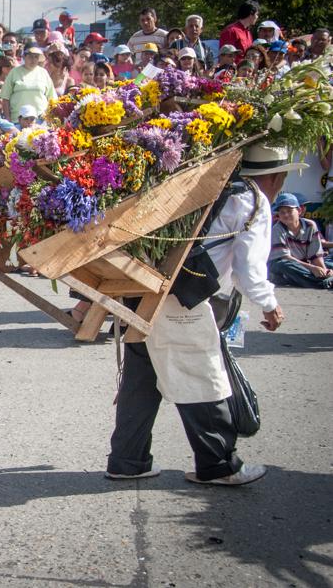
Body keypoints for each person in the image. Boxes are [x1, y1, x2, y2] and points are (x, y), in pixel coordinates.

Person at [106, 143, 291, 487]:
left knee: (142, 380)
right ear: (277, 177)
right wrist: (269, 304)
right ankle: (219, 466)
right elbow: (249, 269)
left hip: (143, 288)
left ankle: (127, 461)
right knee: (202, 377)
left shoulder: (200, 182)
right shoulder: (251, 199)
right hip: (185, 298)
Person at [268, 193, 332, 289]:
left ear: (299, 210)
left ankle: (324, 278)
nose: (285, 215)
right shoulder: (277, 229)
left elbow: (315, 255)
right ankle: (323, 283)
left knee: (328, 262)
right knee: (284, 265)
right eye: (282, 212)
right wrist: (313, 268)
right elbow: (285, 258)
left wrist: (324, 270)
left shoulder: (310, 225)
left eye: (289, 211)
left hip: (305, 263)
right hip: (287, 264)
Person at [0, 47, 56, 122]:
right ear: (24, 57)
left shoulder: (43, 73)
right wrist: (7, 119)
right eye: (30, 56)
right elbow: (5, 98)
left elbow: (52, 97)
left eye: (36, 57)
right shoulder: (14, 72)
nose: (33, 59)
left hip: (41, 119)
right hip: (18, 119)